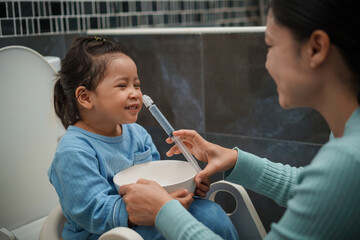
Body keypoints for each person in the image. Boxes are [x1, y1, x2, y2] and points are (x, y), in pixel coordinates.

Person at [119, 0, 360, 239]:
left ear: (315, 48)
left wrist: (163, 211)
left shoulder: (349, 158)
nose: (266, 63)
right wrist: (235, 160)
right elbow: (325, 192)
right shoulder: (348, 145)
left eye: (271, 46)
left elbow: (336, 179)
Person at [48, 36, 238, 240]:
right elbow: (92, 212)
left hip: (148, 217)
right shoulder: (74, 151)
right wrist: (157, 208)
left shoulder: (137, 134)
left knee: (211, 215)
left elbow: (157, 185)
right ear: (86, 97)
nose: (135, 93)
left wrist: (188, 189)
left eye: (136, 85)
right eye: (123, 86)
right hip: (103, 233)